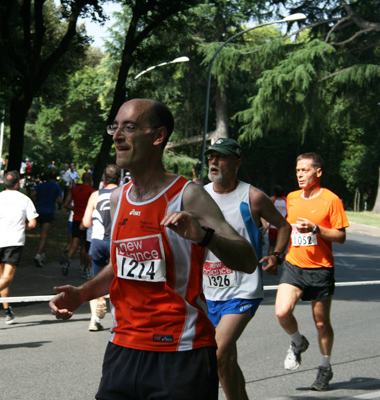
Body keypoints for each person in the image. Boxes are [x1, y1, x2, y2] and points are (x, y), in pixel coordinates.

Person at [50, 98, 258, 400]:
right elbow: (121, 267)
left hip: (181, 351)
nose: (117, 136)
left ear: (158, 136)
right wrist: (82, 294)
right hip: (123, 347)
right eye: (115, 127)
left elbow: (248, 259)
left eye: (129, 127)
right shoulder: (118, 199)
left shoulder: (188, 195)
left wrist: (205, 238)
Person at [202, 138, 291, 400]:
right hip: (208, 290)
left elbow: (283, 226)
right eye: (211, 157)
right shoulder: (200, 195)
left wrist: (275, 255)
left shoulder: (252, 197)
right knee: (225, 360)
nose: (213, 162)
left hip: (243, 289)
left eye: (221, 157)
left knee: (217, 351)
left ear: (237, 162)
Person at [275, 152, 349, 391]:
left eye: (305, 170)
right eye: (297, 170)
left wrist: (317, 229)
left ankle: (325, 367)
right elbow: (287, 227)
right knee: (282, 312)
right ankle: (297, 342)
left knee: (320, 323)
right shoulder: (292, 198)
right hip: (294, 265)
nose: (300, 174)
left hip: (321, 269)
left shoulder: (331, 200)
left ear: (318, 172)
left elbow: (341, 236)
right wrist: (275, 254)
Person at [0, 171, 38, 324]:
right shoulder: (24, 199)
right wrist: (23, 227)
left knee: (3, 278)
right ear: (17, 184)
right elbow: (33, 223)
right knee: (8, 278)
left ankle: (7, 311)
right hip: (14, 241)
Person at [81, 164, 120, 331]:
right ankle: (118, 321)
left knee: (95, 279)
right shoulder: (124, 194)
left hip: (97, 241)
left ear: (104, 178)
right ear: (119, 179)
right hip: (116, 241)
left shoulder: (95, 195)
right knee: (118, 280)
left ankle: (93, 320)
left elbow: (86, 222)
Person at [60, 171, 95, 277]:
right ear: (90, 180)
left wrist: (75, 208)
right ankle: (83, 267)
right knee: (85, 246)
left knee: (74, 243)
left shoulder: (74, 190)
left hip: (75, 219)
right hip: (86, 220)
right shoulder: (92, 192)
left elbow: (65, 204)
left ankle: (67, 261)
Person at [31, 170, 63, 267]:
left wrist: (35, 204)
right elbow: (60, 200)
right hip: (49, 211)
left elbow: (32, 194)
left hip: (39, 210)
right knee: (44, 235)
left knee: (42, 234)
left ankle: (42, 255)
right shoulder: (57, 187)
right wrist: (59, 206)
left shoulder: (41, 185)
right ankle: (38, 254)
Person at [268, 185, 287, 255]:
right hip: (282, 227)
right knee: (278, 246)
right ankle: (277, 260)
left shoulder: (272, 199)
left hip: (273, 226)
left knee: (271, 246)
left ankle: (270, 260)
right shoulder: (286, 200)